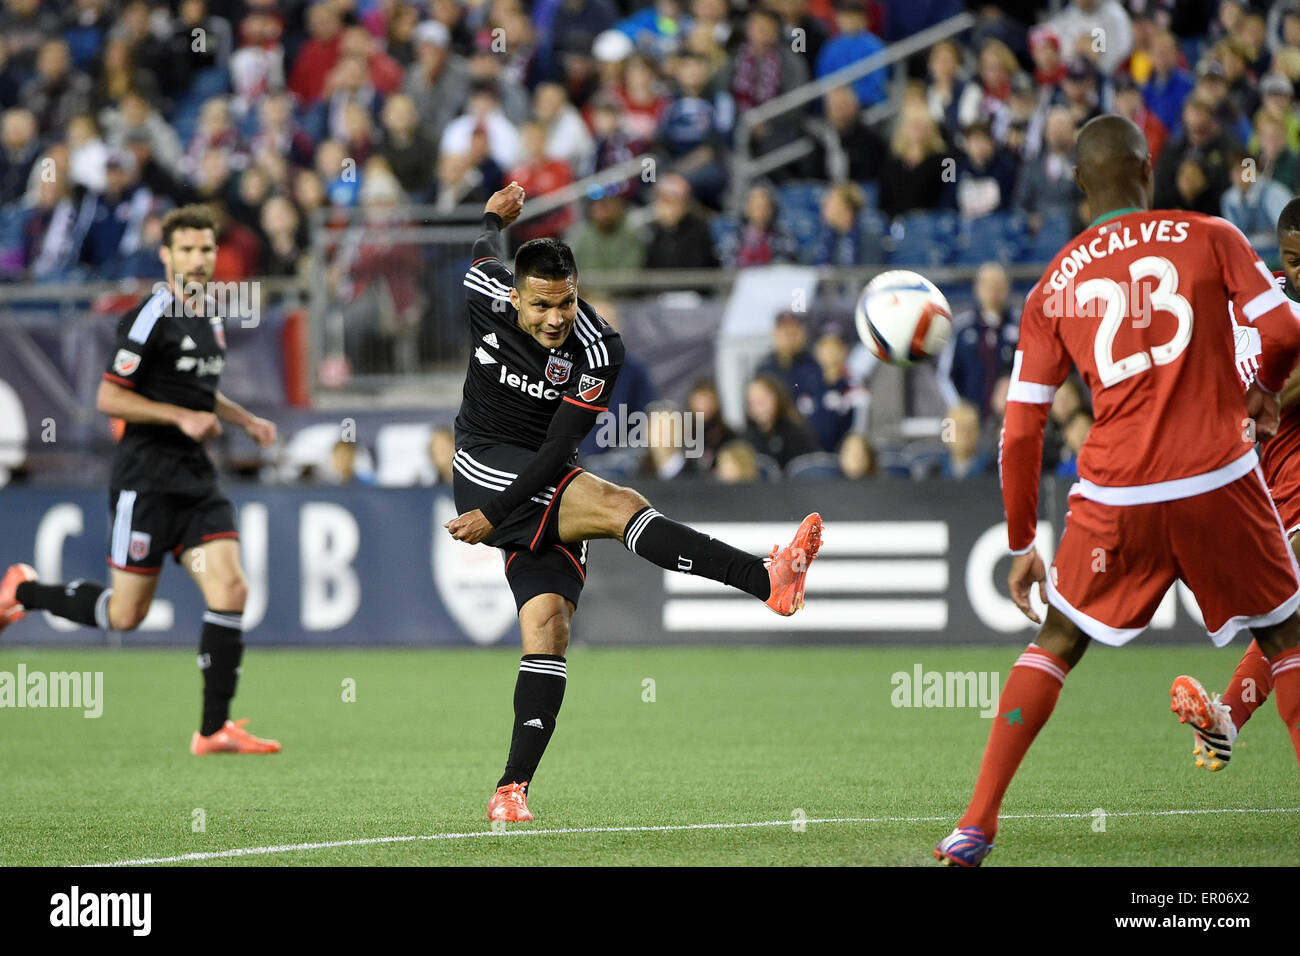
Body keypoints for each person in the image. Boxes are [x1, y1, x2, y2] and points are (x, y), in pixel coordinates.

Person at [935, 114, 1300, 867]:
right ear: (1148, 169)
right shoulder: (1211, 235)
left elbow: (1021, 430)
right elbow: (1282, 331)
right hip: (1217, 477)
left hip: (1116, 491)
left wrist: (1020, 542)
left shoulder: (1051, 288)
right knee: (1289, 638)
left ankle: (976, 824)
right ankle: (1232, 723)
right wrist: (1258, 393)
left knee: (1058, 642)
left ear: (1077, 186)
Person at [446, 182, 822, 823]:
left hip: (534, 476)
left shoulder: (599, 348)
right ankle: (764, 578)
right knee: (620, 505)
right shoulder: (485, 291)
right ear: (514, 296)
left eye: (566, 302)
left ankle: (510, 791)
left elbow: (559, 446)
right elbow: (484, 248)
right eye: (541, 305)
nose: (556, 318)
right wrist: (492, 216)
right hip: (483, 464)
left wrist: (502, 516)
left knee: (548, 630)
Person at [0, 205, 281, 755]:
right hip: (145, 481)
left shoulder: (210, 315)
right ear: (167, 256)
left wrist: (242, 418)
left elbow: (199, 392)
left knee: (231, 588)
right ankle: (23, 591)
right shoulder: (150, 316)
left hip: (196, 480)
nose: (200, 260)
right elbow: (108, 396)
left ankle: (212, 729)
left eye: (206, 249)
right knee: (126, 615)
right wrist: (178, 418)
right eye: (189, 250)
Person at [1169, 198, 1300, 772]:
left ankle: (1226, 718)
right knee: (1285, 617)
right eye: (1294, 260)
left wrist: (1253, 413)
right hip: (1262, 481)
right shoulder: (1255, 300)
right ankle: (1226, 719)